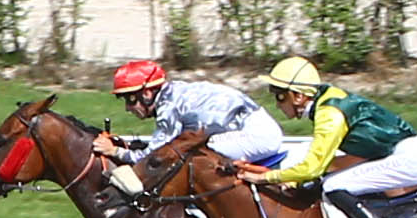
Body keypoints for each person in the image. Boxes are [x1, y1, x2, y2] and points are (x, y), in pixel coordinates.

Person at [256, 55, 417, 218]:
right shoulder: (327, 99)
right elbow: (347, 159)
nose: (277, 104)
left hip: (406, 160)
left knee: (334, 186)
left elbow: (312, 168)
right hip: (399, 153)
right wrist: (294, 180)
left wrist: (268, 177)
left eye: (279, 95)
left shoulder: (329, 114)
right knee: (328, 180)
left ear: (299, 96)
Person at [104, 54, 293, 173]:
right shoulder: (173, 92)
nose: (128, 108)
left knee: (186, 157)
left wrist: (116, 152)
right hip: (258, 127)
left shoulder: (168, 106)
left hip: (256, 136)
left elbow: (153, 156)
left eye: (130, 99)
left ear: (147, 93)